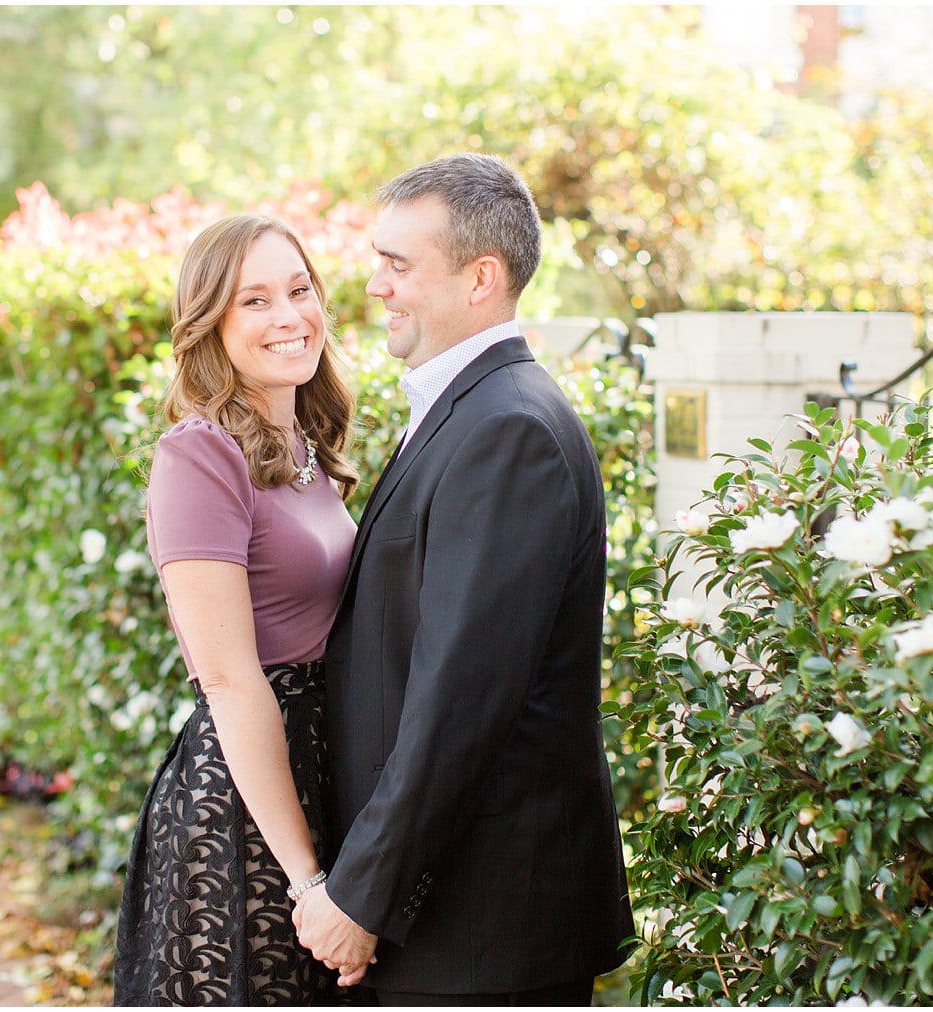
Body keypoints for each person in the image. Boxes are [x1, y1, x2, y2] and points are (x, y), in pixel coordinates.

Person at [293, 153, 635, 1006]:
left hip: (482, 928)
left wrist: (362, 895)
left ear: (481, 278)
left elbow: (460, 699)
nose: (375, 286)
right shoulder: (470, 409)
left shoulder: (507, 429)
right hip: (453, 917)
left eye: (398, 264)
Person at [114, 214, 360, 1006]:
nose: (288, 316)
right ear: (209, 327)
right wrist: (306, 880)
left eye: (298, 289)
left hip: (324, 777)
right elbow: (227, 681)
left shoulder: (306, 448)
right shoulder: (198, 456)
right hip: (248, 813)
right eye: (253, 301)